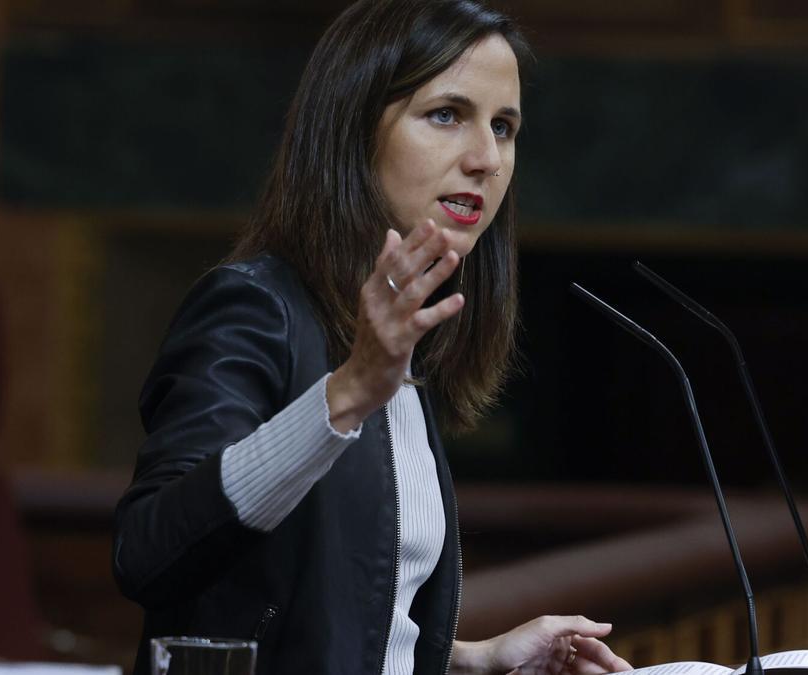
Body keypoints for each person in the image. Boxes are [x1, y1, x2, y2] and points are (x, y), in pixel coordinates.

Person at [111, 2, 633, 674]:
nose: (485, 159)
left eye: (504, 127)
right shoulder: (254, 306)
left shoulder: (401, 340)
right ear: (355, 130)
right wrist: (350, 391)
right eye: (447, 114)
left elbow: (343, 629)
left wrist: (476, 658)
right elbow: (147, 553)